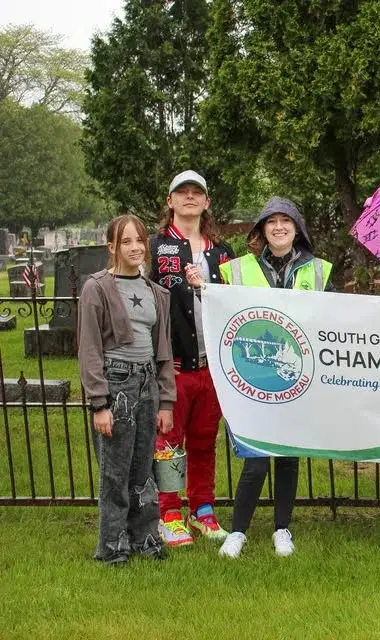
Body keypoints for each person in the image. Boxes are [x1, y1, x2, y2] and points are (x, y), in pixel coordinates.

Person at [215, 197, 334, 559]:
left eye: (286, 221)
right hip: (253, 375)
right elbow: (218, 311)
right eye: (272, 221)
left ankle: (283, 528)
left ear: (297, 229)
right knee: (255, 456)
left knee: (288, 456)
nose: (279, 227)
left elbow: (332, 320)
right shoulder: (237, 270)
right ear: (261, 230)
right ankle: (238, 531)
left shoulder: (319, 271)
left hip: (298, 376)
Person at [77, 215, 176, 564]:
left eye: (139, 241)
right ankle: (113, 544)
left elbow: (163, 350)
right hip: (116, 384)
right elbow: (89, 349)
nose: (135, 248)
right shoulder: (97, 289)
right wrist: (99, 403)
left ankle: (145, 538)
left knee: (143, 468)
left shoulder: (154, 292)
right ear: (111, 247)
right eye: (126, 242)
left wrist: (166, 400)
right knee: (114, 471)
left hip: (148, 383)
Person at [151, 170, 235, 546]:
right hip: (174, 366)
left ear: (206, 202)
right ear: (170, 201)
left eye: (195, 192)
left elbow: (234, 302)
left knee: (204, 439)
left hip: (211, 365)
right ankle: (168, 511)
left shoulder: (221, 252)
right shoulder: (155, 247)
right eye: (181, 192)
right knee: (168, 441)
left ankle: (202, 508)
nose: (189, 197)